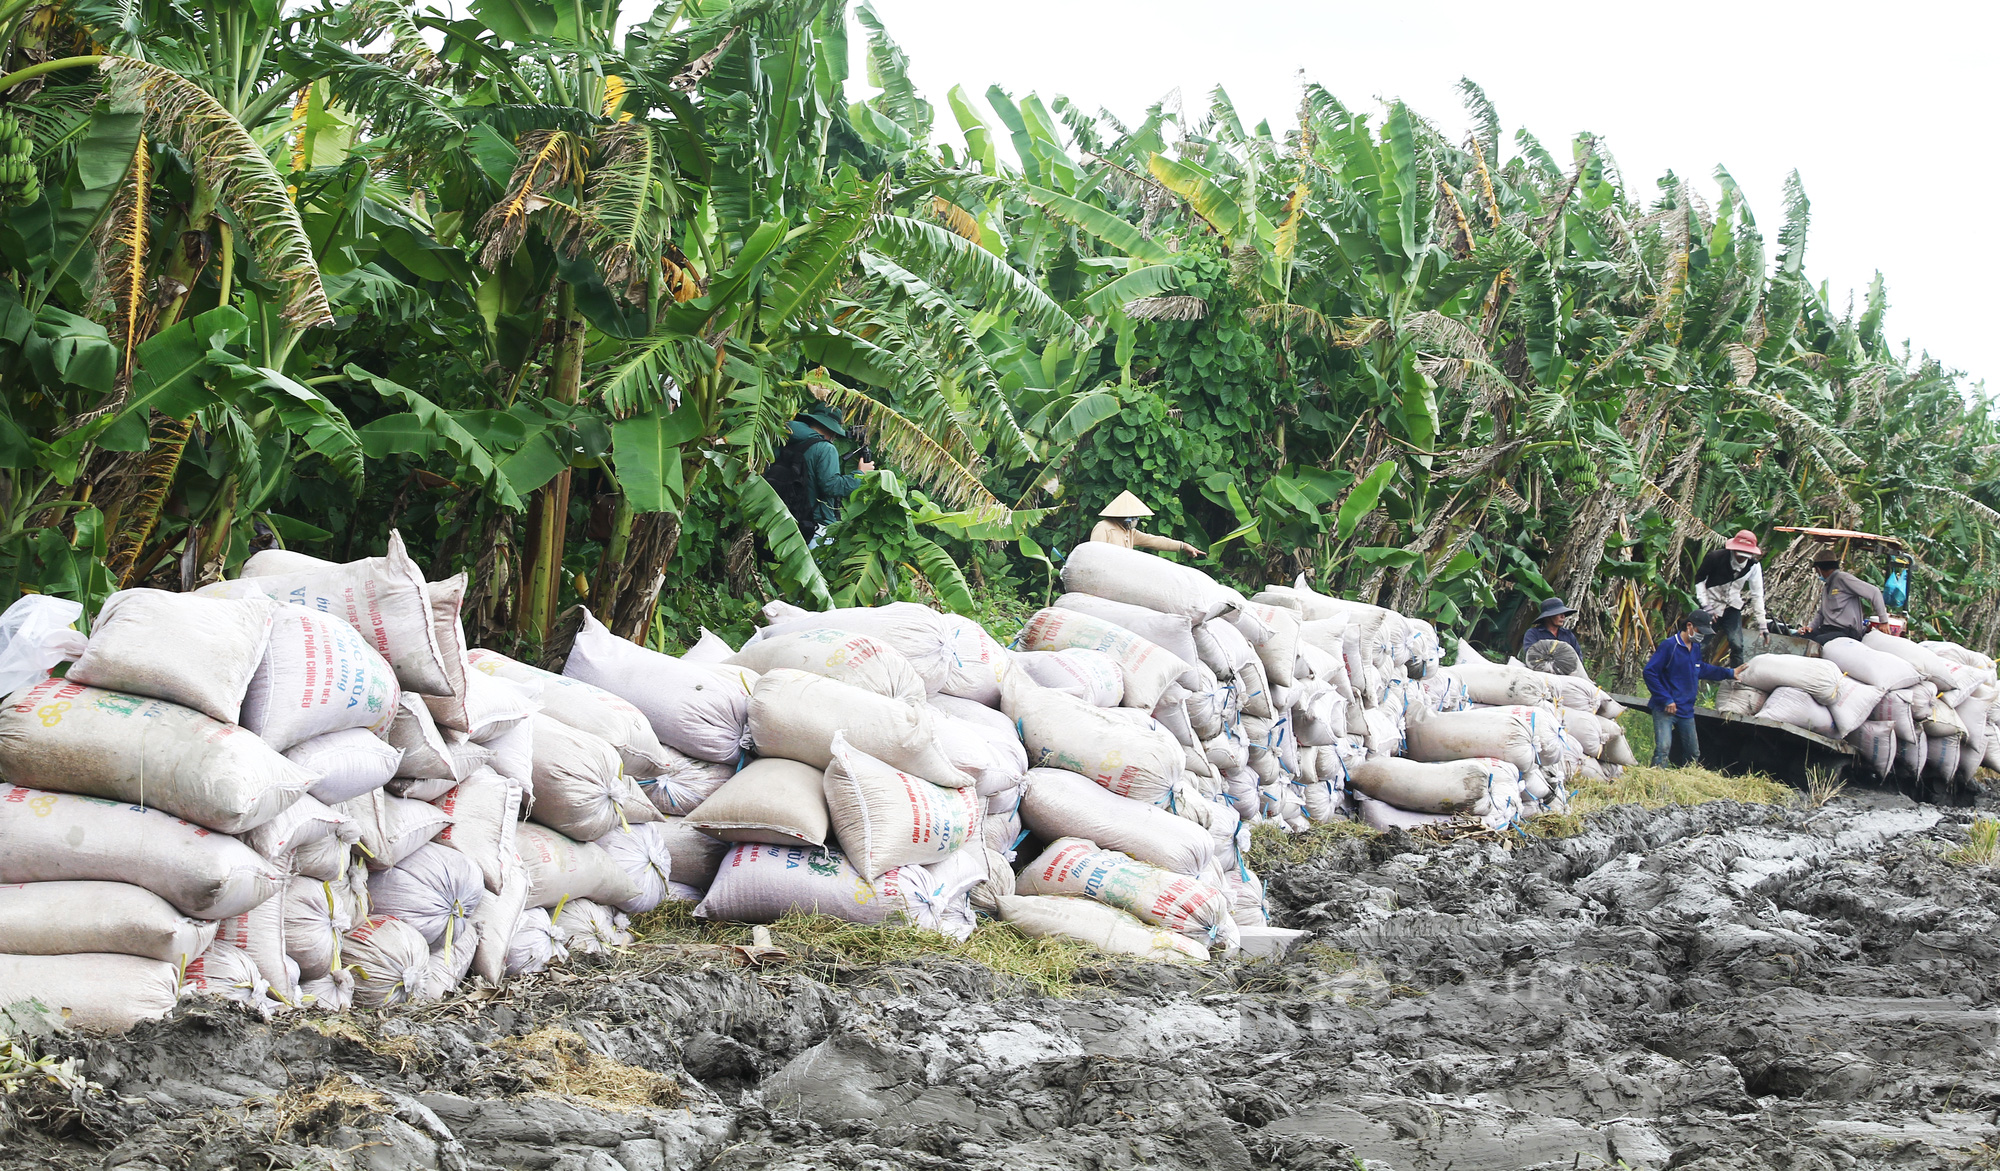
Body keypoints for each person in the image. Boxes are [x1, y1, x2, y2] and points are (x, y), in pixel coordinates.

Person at [1644, 611, 1743, 767]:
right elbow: (1649, 672)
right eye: (1700, 631)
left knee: (1692, 752)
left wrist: (1729, 673)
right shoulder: (1670, 646)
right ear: (1689, 626)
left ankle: (1687, 781)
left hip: (1686, 710)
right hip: (1665, 709)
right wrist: (1666, 699)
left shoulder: (1695, 648)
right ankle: (1654, 782)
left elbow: (1700, 669)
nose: (1701, 636)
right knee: (1663, 749)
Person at [770, 408, 874, 544]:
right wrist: (861, 473)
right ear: (831, 429)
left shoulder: (787, 441)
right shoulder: (825, 449)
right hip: (815, 527)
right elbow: (832, 486)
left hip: (788, 520)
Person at [1693, 529, 1768, 665]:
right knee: (1701, 645)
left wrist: (1762, 625)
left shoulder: (1754, 566)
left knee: (1737, 644)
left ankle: (1735, 678)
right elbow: (1699, 581)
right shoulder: (1715, 557)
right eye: (1740, 555)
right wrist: (1706, 606)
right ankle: (1690, 673)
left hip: (1732, 607)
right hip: (1711, 605)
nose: (1742, 559)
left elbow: (1757, 594)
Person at [1800, 554, 1887, 645]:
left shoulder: (1843, 578)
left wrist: (1883, 621)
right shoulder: (1827, 586)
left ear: (1819, 569)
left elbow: (1874, 592)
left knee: (1818, 642)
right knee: (1802, 638)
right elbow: (1821, 613)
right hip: (1827, 629)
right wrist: (1810, 627)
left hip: (1846, 631)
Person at [1088, 491, 1204, 556]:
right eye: (1132, 516)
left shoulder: (1130, 532)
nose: (1135, 520)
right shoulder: (1103, 528)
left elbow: (1154, 541)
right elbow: (1094, 555)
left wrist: (1183, 546)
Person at [1520, 596, 1583, 663]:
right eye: (1559, 613)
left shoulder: (1568, 635)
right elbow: (1531, 656)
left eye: (1563, 613)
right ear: (1547, 617)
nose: (1563, 616)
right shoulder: (1533, 634)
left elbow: (1578, 658)